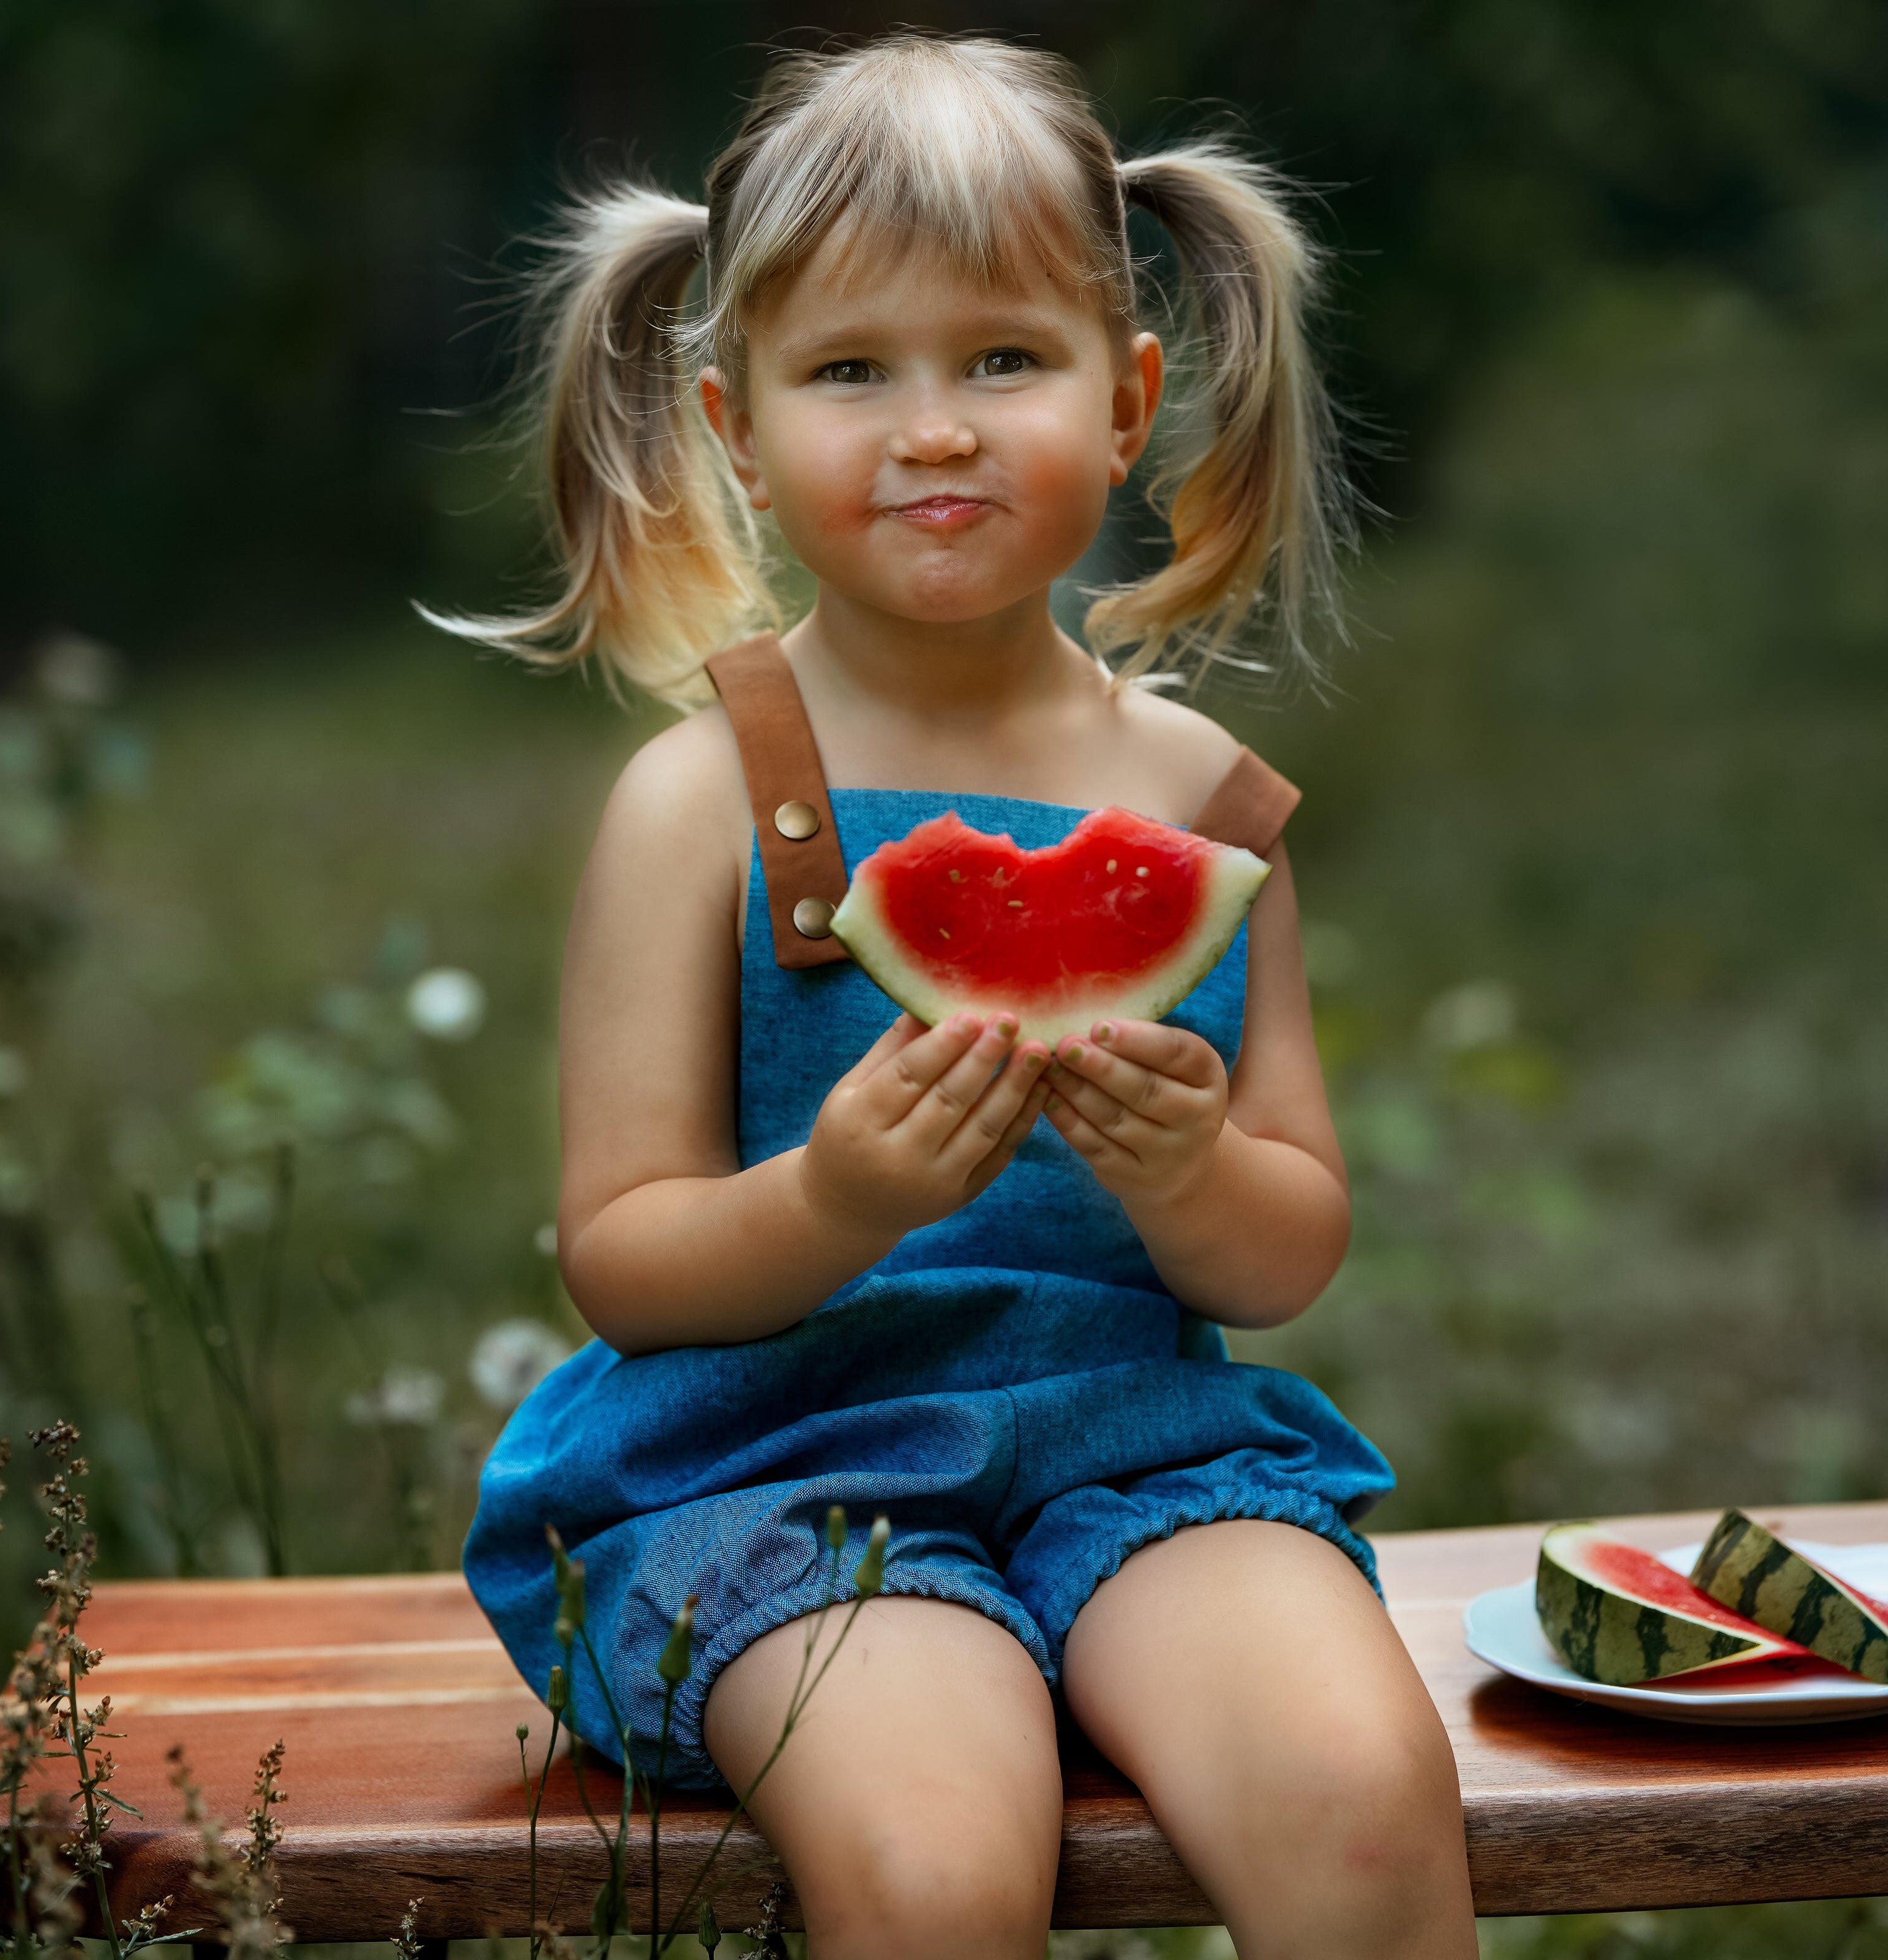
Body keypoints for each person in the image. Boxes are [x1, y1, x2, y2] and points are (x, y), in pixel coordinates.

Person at [451, 35, 1477, 1960]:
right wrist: (837, 1202)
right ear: (737, 426)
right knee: (934, 1874)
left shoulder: (1203, 808)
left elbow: (1287, 1247)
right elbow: (622, 1255)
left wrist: (1188, 1177)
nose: (934, 429)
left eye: (1004, 358)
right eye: (853, 371)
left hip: (1134, 1447)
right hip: (773, 1470)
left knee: (1360, 1810)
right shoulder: (698, 799)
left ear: (1129, 402)